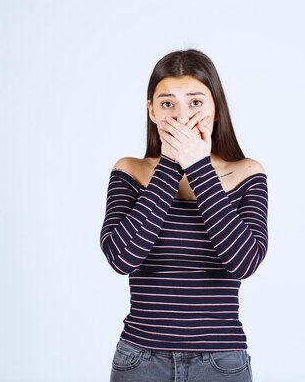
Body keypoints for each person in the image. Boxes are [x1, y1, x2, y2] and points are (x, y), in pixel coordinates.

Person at [99, 49, 269, 382]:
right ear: (151, 110)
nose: (180, 116)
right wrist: (170, 166)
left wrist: (199, 167)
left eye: (195, 103)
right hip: (141, 359)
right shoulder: (130, 171)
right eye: (167, 104)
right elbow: (122, 259)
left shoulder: (246, 173)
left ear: (215, 108)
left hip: (221, 361)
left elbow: (244, 263)